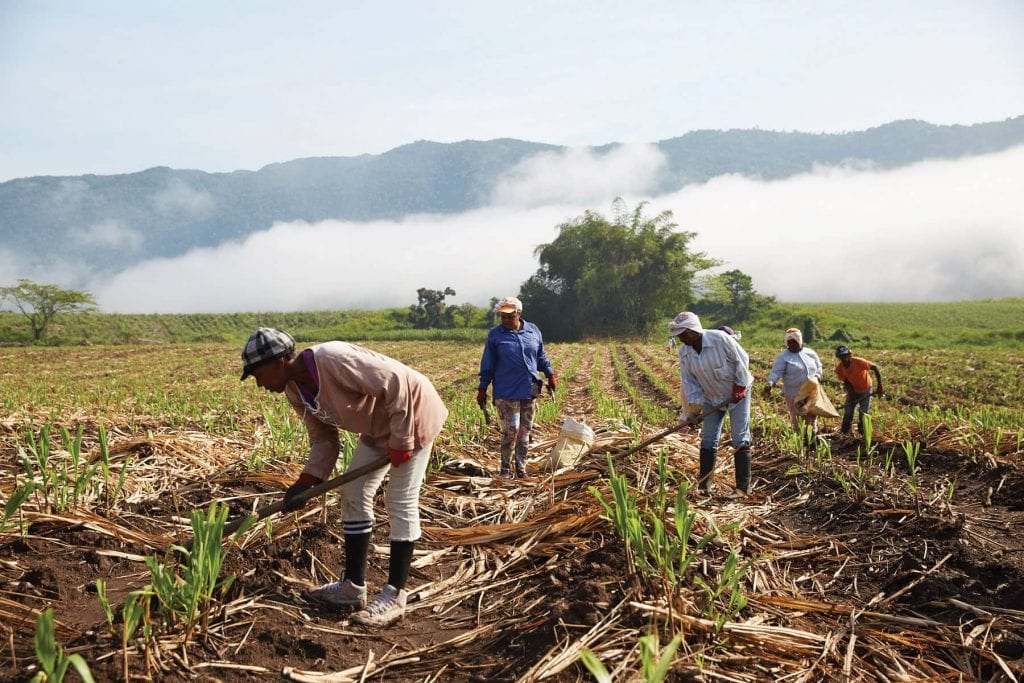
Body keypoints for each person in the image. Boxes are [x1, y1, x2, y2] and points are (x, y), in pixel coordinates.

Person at [240, 327, 448, 627]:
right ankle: (352, 587)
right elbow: (324, 438)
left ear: (277, 363)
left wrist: (402, 441)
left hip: (412, 413)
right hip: (378, 428)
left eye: (257, 375)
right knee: (352, 491)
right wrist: (306, 481)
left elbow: (397, 383)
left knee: (399, 498)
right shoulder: (294, 388)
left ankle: (395, 595)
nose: (259, 384)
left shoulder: (332, 358)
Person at [669, 312, 754, 497]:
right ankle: (704, 486)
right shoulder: (685, 353)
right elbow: (690, 382)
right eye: (679, 335)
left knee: (740, 437)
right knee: (708, 439)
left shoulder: (720, 339)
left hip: (737, 393)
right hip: (711, 397)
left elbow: (742, 360)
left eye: (684, 334)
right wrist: (693, 411)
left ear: (694, 331)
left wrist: (740, 386)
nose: (681, 338)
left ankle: (743, 488)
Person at [476, 296, 556, 478]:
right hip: (506, 390)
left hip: (530, 387)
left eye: (510, 316)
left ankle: (521, 469)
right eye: (502, 317)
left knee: (524, 432)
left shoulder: (533, 331)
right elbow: (487, 364)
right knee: (511, 429)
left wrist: (550, 374)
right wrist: (482, 389)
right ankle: (505, 469)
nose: (505, 320)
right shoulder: (495, 335)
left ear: (519, 313)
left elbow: (541, 357)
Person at [763, 328, 823, 437]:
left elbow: (819, 366)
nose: (792, 345)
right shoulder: (783, 357)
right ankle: (798, 437)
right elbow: (776, 372)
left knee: (812, 414)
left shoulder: (810, 353)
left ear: (800, 341)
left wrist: (818, 376)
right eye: (789, 343)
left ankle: (812, 435)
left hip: (811, 391)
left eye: (794, 342)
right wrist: (770, 383)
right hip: (794, 393)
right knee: (797, 416)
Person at [834, 345, 883, 436]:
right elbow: (846, 381)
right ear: (839, 357)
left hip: (866, 389)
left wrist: (880, 386)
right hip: (853, 390)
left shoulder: (859, 362)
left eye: (846, 355)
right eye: (842, 357)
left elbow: (875, 368)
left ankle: (863, 433)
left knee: (863, 412)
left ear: (850, 355)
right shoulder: (839, 369)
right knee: (848, 411)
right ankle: (845, 433)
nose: (845, 358)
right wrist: (851, 393)